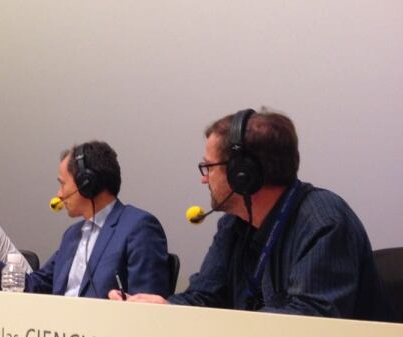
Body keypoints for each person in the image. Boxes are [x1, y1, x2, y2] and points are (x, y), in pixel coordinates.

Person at [111, 108, 394, 322]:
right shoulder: (234, 225)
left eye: (208, 167)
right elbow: (205, 295)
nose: (203, 179)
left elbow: (309, 324)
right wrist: (164, 308)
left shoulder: (324, 221)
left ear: (242, 173)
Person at [0, 141, 170, 298]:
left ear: (86, 183)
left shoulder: (139, 227)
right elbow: (34, 286)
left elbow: (146, 309)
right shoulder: (72, 236)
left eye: (62, 183)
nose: (58, 194)